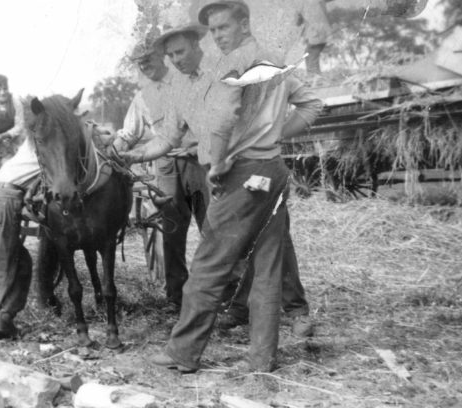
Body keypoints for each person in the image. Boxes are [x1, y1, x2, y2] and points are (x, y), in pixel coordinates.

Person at [121, 0, 323, 372]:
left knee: (209, 264)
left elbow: (224, 120)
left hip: (243, 175)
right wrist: (275, 137)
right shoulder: (273, 60)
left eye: (223, 29)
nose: (218, 36)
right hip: (272, 171)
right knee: (266, 266)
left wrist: (220, 161)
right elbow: (312, 105)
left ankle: (183, 353)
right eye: (214, 31)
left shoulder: (230, 65)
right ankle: (262, 359)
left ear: (244, 23)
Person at [113, 28, 210, 307]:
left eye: (148, 58)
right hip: (166, 166)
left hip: (200, 161)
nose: (145, 65)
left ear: (163, 56)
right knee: (171, 230)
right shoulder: (142, 97)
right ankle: (176, 297)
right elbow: (128, 134)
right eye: (139, 62)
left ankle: (228, 296)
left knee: (212, 228)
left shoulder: (187, 80)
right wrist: (112, 153)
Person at [0, 133, 40, 338]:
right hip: (3, 199)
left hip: (0, 198)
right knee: (1, 266)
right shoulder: (38, 145)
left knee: (22, 263)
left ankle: (4, 319)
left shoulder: (30, 146)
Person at [296, 0, 333, 75]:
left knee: (311, 56)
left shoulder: (303, 4)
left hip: (315, 34)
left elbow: (298, 22)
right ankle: (315, 78)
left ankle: (315, 78)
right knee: (310, 55)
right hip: (324, 32)